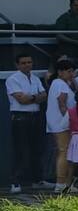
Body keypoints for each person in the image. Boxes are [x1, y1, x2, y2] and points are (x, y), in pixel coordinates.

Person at [7, 51, 47, 193]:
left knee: (37, 149)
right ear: (17, 65)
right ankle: (15, 182)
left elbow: (44, 95)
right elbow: (21, 100)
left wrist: (31, 98)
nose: (27, 65)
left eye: (29, 62)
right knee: (20, 150)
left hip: (35, 116)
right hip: (20, 118)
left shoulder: (35, 78)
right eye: (23, 63)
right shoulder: (12, 79)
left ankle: (38, 180)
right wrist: (35, 98)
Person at [46, 59, 77, 193]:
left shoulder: (59, 83)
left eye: (72, 71)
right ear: (60, 72)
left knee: (65, 151)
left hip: (58, 123)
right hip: (62, 124)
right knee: (64, 151)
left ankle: (66, 183)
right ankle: (60, 183)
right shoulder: (61, 85)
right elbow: (62, 105)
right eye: (69, 71)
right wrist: (71, 121)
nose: (71, 74)